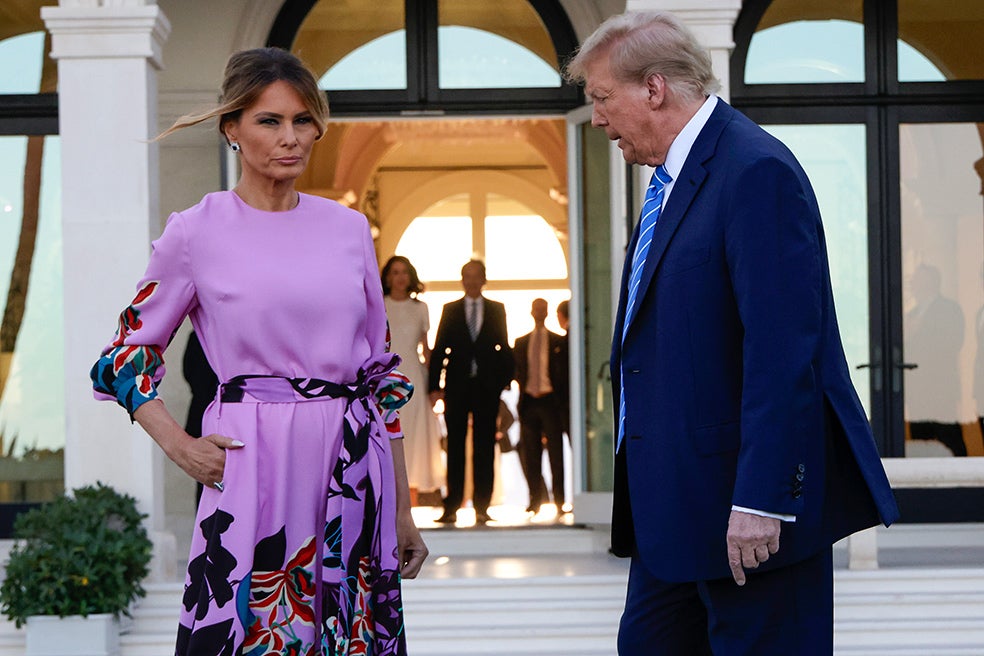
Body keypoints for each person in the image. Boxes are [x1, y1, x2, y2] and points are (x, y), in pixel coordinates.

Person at [565, 12, 899, 655]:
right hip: (675, 515)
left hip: (747, 520)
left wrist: (762, 499)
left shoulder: (755, 171)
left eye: (603, 98)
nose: (598, 119)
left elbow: (783, 352)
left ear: (654, 88)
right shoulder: (669, 183)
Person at [90, 47, 427, 655]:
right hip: (251, 464)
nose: (290, 137)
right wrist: (182, 448)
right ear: (232, 129)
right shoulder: (194, 230)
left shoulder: (349, 229)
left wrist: (403, 510)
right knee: (252, 630)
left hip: (350, 464)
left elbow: (380, 379)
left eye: (303, 120)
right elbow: (122, 358)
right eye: (269, 121)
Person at [428, 259, 513, 524]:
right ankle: (451, 506)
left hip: (487, 387)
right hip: (457, 386)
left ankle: (482, 507)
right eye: (468, 276)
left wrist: (504, 381)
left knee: (485, 445)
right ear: (462, 280)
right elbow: (440, 349)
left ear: (484, 280)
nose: (472, 281)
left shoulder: (496, 309)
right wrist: (434, 387)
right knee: (454, 445)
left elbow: (503, 346)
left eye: (477, 276)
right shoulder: (450, 309)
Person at [381, 255, 444, 503]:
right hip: (385, 376)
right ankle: (391, 498)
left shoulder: (421, 308)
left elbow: (426, 351)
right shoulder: (380, 305)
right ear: (387, 277)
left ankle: (410, 501)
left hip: (414, 377)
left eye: (404, 272)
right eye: (395, 272)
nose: (400, 277)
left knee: (413, 434)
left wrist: (435, 386)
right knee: (388, 430)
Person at [904, 263, 967, 456]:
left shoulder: (950, 309)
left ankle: (961, 473)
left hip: (941, 388)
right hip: (917, 391)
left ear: (930, 282)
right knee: (921, 439)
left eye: (917, 279)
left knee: (949, 437)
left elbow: (953, 343)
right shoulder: (910, 314)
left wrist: (921, 331)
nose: (913, 284)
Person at [513, 298, 568, 514]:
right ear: (531, 312)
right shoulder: (521, 342)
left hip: (550, 401)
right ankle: (534, 500)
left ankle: (559, 500)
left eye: (543, 309)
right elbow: (518, 369)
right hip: (529, 401)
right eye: (537, 309)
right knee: (531, 454)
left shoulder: (557, 341)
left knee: (556, 453)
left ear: (547, 312)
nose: (539, 312)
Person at [181, 330, 218, 507]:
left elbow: (187, 372)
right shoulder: (198, 335)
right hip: (208, 413)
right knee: (205, 481)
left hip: (204, 412)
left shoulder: (197, 335)